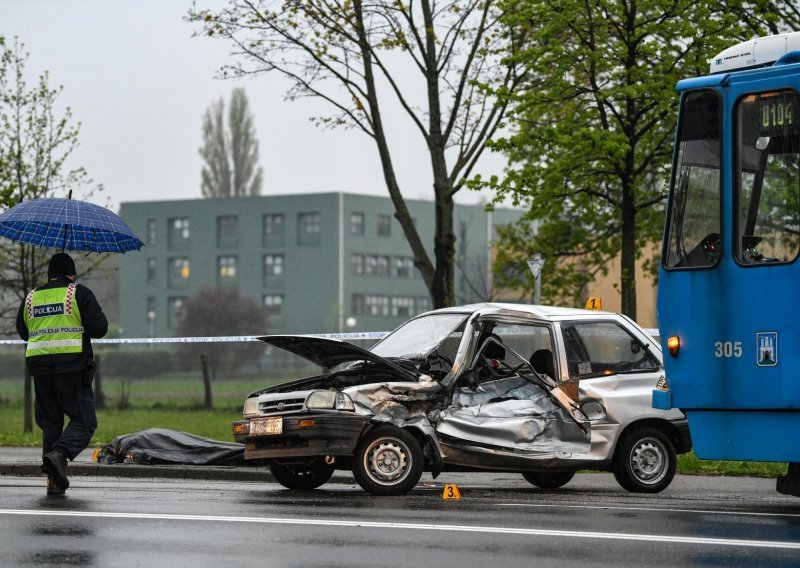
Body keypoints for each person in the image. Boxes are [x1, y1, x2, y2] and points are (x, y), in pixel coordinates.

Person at [16, 252, 108, 495]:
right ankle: (60, 454)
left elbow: (23, 331)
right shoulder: (78, 293)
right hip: (73, 367)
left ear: (50, 275)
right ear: (72, 274)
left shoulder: (31, 298)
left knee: (51, 423)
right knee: (85, 422)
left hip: (41, 371)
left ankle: (54, 483)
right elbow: (100, 329)